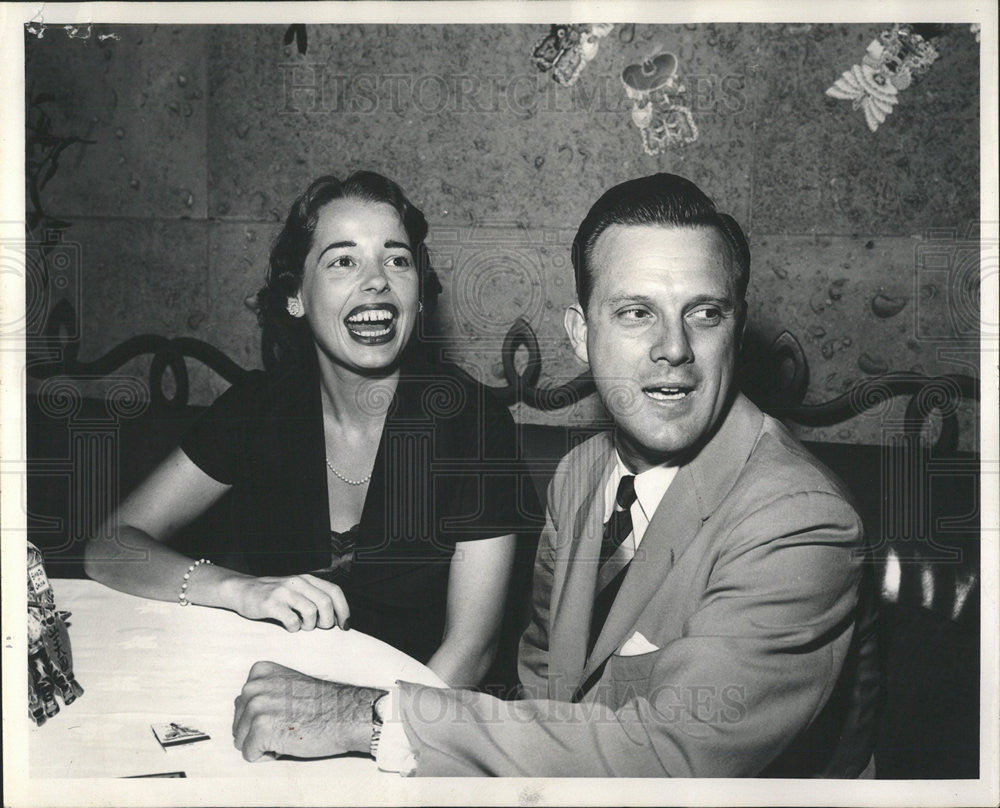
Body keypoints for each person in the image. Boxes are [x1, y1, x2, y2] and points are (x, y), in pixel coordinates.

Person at [230, 173, 879, 777]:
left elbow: (678, 751)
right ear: (581, 334)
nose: (674, 348)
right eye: (635, 312)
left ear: (736, 329)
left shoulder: (800, 519)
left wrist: (371, 717)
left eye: (705, 312)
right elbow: (545, 673)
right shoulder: (581, 476)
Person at [84, 171, 538, 689]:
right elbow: (110, 547)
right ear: (296, 296)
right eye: (343, 260)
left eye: (397, 259)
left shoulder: (473, 427)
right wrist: (238, 590)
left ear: (417, 298)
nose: (377, 279)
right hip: (276, 700)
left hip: (419, 724)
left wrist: (367, 733)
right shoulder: (259, 409)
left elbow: (471, 654)